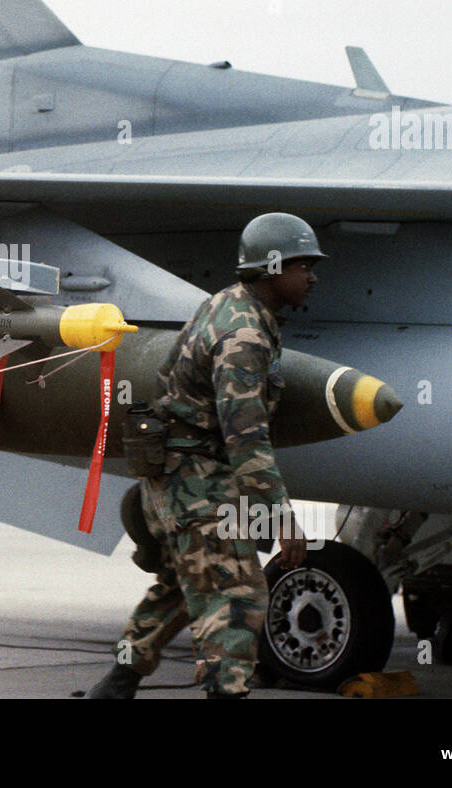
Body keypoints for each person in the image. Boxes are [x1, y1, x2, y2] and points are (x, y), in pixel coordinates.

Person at [87, 213, 325, 698]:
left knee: (184, 580)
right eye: (304, 265)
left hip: (179, 471)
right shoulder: (244, 335)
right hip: (196, 476)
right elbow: (246, 437)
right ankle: (224, 691)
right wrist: (280, 516)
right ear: (273, 267)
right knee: (236, 592)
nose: (313, 276)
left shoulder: (227, 305)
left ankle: (117, 684)